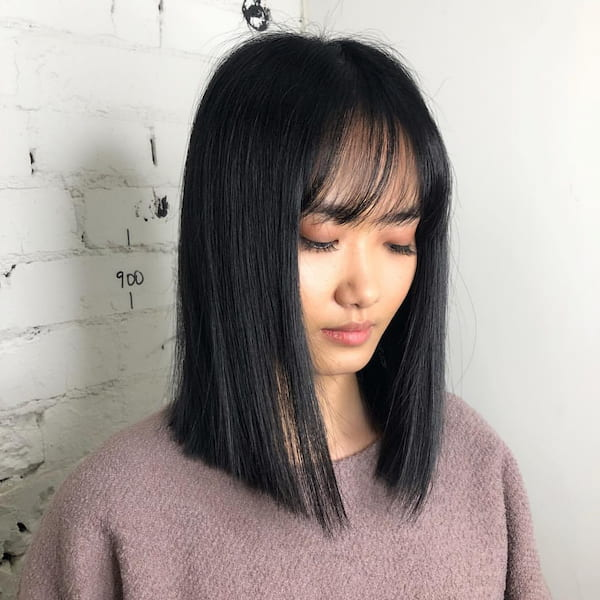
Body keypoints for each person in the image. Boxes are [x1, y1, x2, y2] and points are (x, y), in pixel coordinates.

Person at [16, 30, 552, 598]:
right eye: (320, 239)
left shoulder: (473, 461)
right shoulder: (111, 513)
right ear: (231, 236)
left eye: (398, 242)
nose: (365, 288)